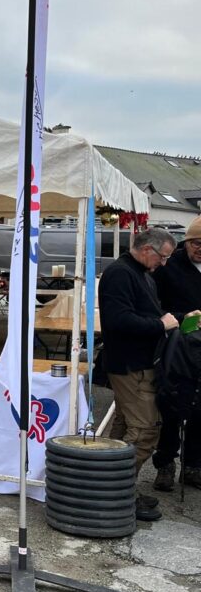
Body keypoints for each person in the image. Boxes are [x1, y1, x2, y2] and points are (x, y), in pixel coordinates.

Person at [99, 227, 179, 521]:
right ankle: (115, 492)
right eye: (163, 257)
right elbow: (118, 320)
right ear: (147, 249)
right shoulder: (121, 274)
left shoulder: (141, 273)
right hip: (130, 365)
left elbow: (147, 313)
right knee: (145, 431)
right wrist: (160, 325)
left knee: (124, 428)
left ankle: (111, 488)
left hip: (139, 364)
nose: (165, 263)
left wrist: (178, 318)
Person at [152, 217, 201, 491]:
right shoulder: (169, 267)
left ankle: (193, 465)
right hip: (177, 345)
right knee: (172, 404)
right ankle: (165, 463)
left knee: (200, 409)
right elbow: (153, 305)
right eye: (196, 243)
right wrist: (183, 318)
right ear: (187, 242)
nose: (200, 249)